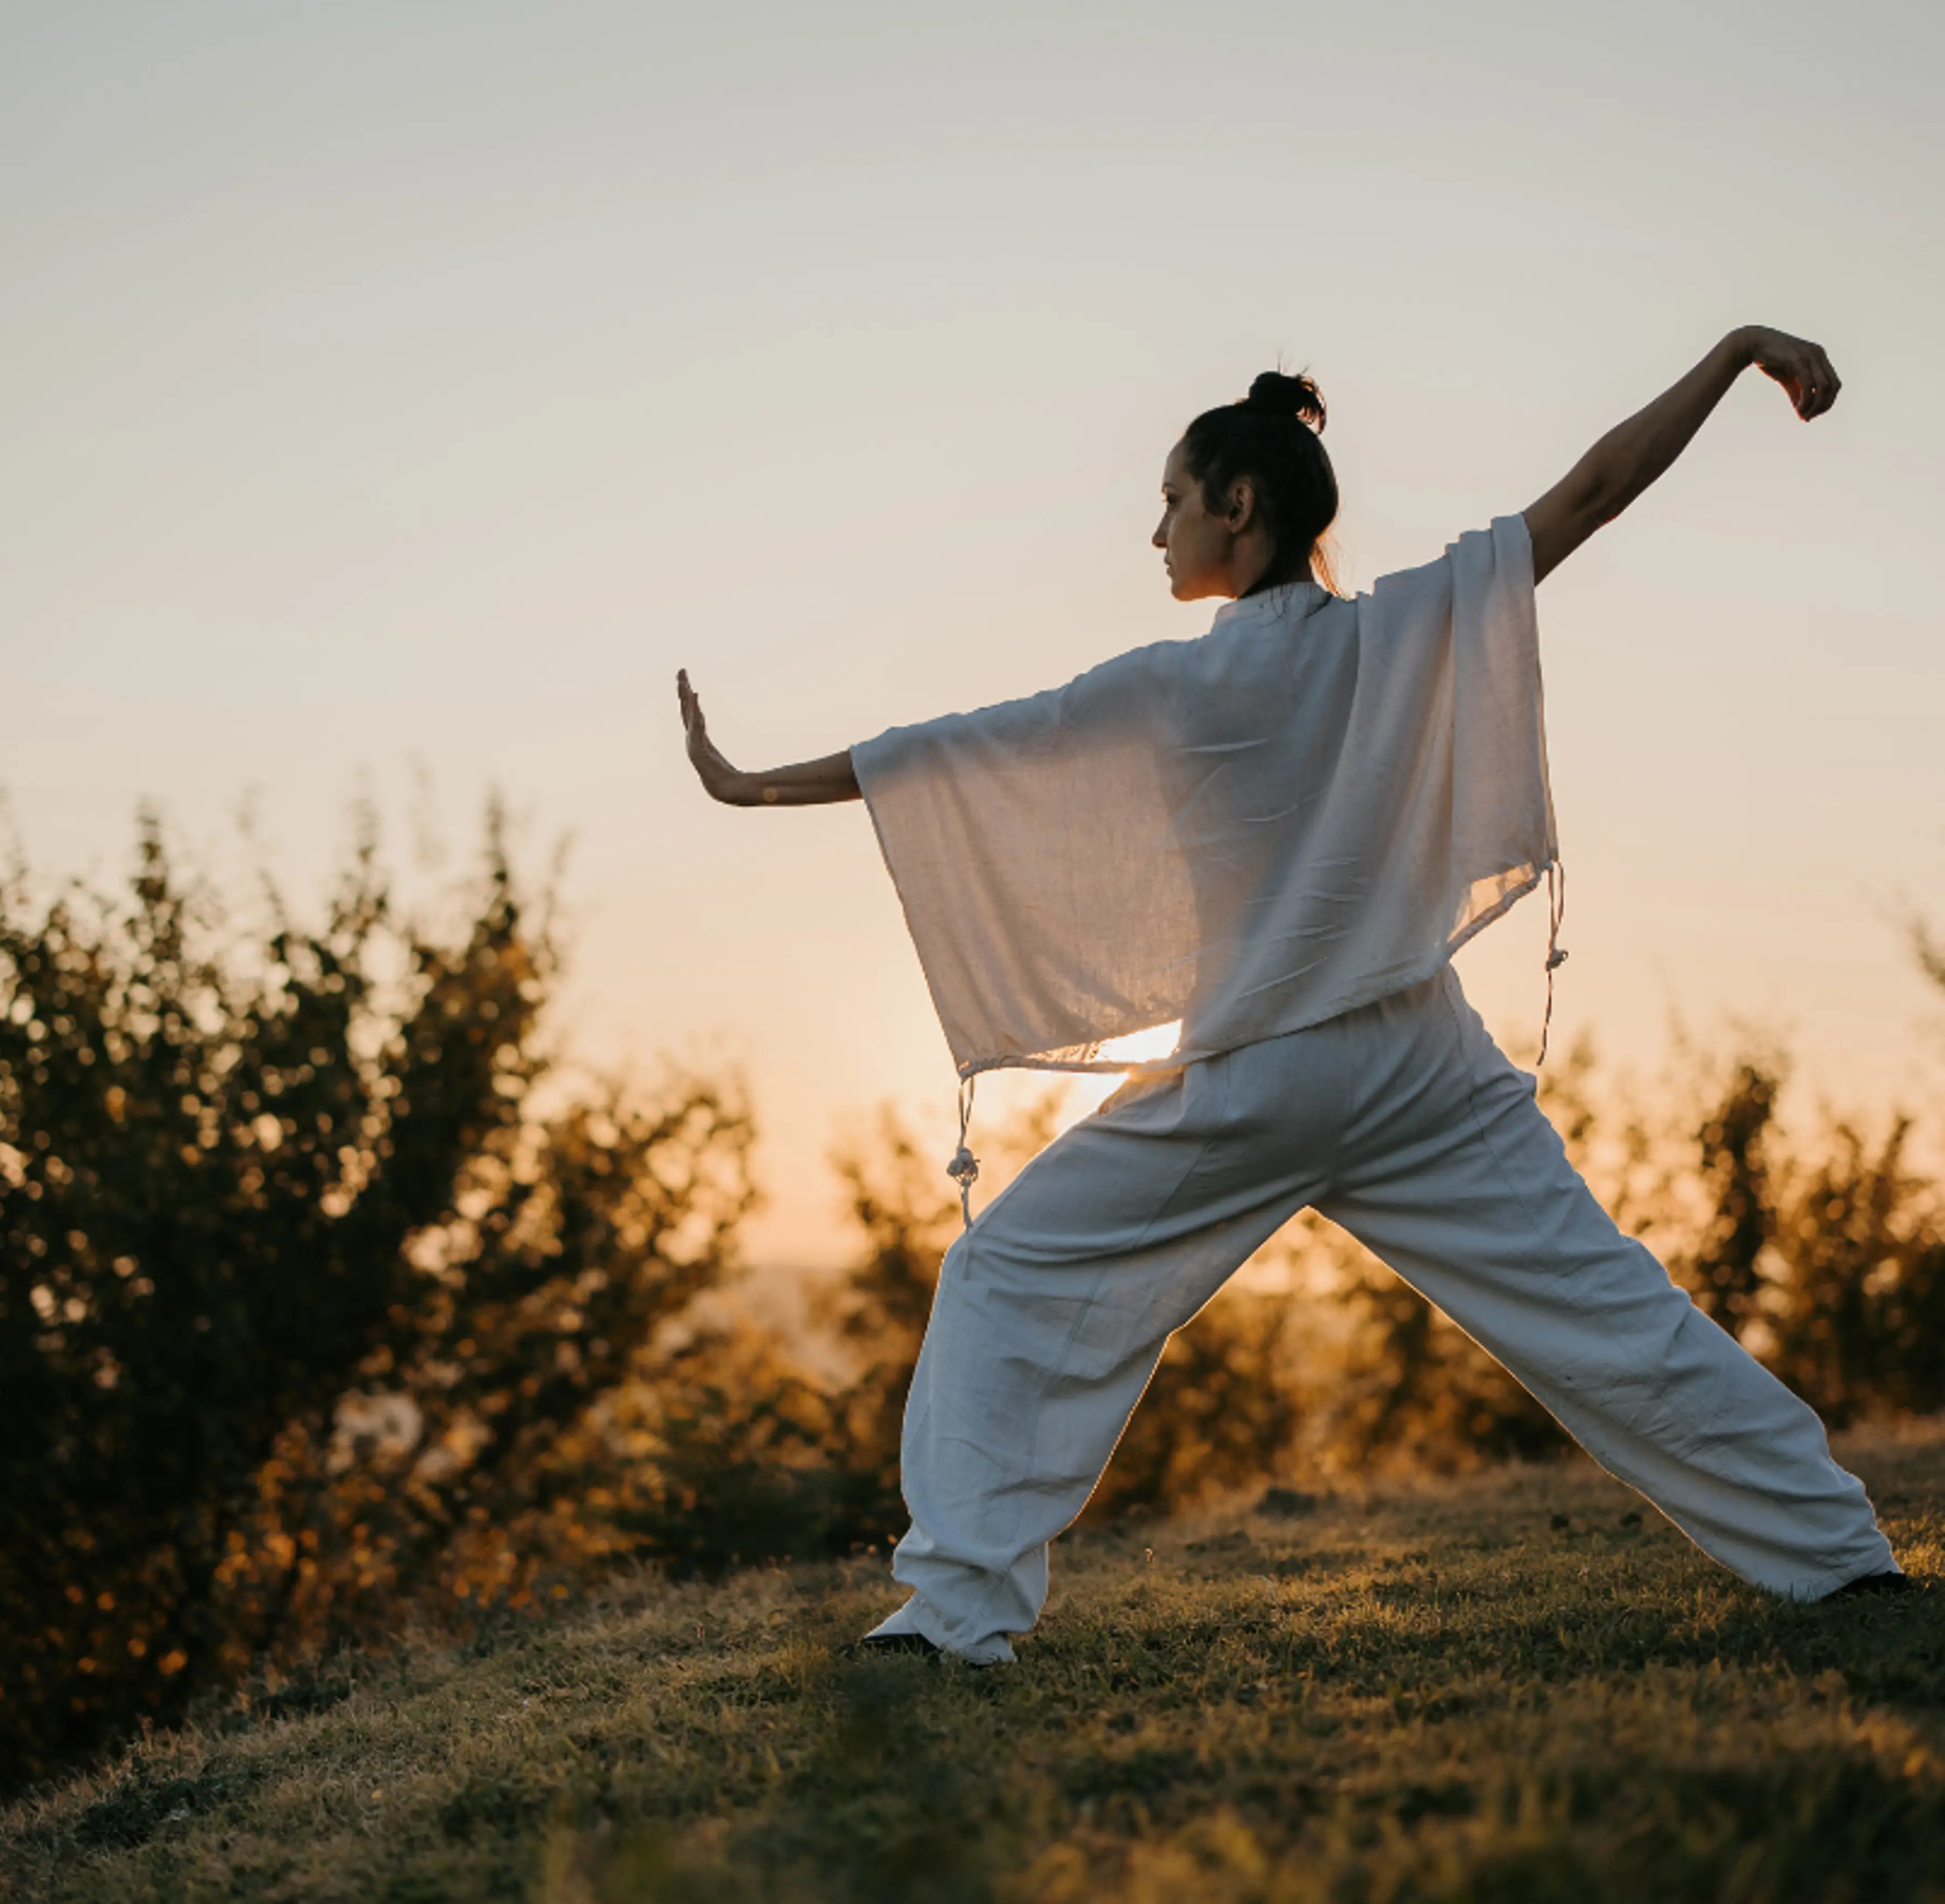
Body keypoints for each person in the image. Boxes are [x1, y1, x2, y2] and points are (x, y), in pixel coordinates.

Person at [676, 326, 1908, 1664]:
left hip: (1259, 1077)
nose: (1154, 530)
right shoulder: (1402, 633)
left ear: (1239, 504)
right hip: (1420, 1066)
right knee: (1608, 1314)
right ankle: (1842, 1560)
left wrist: (752, 785)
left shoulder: (1173, 682)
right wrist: (1732, 357)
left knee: (1005, 1275)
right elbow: (1594, 492)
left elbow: (950, 761)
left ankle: (957, 1609)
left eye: (1170, 500)